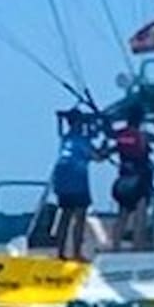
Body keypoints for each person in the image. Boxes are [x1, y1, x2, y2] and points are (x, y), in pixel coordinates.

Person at [48, 108, 98, 261]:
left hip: (61, 177)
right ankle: (76, 252)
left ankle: (60, 252)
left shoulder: (65, 138)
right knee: (79, 215)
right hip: (76, 178)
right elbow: (97, 156)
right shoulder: (83, 140)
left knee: (65, 214)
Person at [109, 114, 154, 248]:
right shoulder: (142, 135)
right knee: (140, 216)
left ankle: (116, 246)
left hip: (123, 180)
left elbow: (110, 148)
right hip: (139, 180)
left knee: (122, 215)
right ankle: (137, 247)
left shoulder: (120, 135)